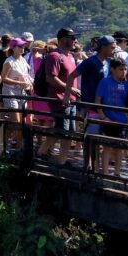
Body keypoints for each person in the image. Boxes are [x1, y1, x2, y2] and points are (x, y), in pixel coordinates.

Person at [41, 27, 80, 164]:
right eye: (73, 38)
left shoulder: (70, 56)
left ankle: (62, 161)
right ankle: (42, 152)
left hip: (71, 99)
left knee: (69, 132)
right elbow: (50, 78)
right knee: (60, 130)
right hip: (59, 99)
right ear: (64, 40)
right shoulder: (54, 56)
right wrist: (69, 89)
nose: (75, 41)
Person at [95, 57, 128, 177]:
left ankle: (117, 172)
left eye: (125, 69)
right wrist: (102, 116)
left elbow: (126, 103)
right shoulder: (105, 82)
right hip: (108, 120)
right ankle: (105, 171)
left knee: (119, 148)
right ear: (112, 69)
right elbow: (98, 100)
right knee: (107, 147)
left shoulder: (126, 84)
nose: (123, 72)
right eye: (121, 69)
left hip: (122, 120)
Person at [0, 37, 33, 137]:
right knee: (17, 122)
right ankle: (19, 147)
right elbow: (3, 78)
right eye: (20, 46)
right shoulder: (9, 62)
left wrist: (29, 83)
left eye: (24, 46)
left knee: (18, 121)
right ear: (13, 47)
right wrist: (18, 83)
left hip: (22, 92)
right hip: (11, 92)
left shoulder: (23, 60)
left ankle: (4, 142)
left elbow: (26, 75)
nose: (23, 48)